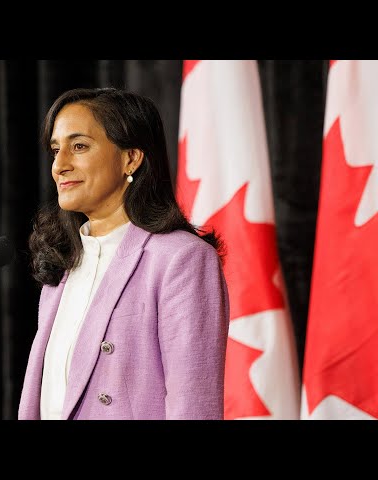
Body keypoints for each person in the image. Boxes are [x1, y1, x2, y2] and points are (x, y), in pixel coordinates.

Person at [18, 87, 230, 420]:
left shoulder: (181, 259)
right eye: (56, 150)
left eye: (79, 146)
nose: (59, 165)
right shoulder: (63, 265)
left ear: (131, 157)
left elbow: (193, 403)